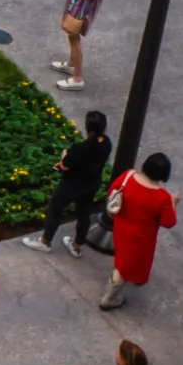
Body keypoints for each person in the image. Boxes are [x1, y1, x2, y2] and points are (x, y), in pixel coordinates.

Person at [26, 109, 112, 256]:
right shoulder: (106, 143)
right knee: (84, 212)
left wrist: (65, 153)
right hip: (91, 184)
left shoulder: (81, 149)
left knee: (55, 208)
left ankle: (45, 242)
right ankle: (76, 246)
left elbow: (65, 164)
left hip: (72, 185)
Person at [99, 150, 177, 310]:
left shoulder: (128, 176)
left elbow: (111, 191)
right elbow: (168, 222)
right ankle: (109, 297)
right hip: (142, 237)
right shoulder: (163, 198)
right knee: (125, 267)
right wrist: (174, 203)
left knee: (123, 258)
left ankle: (122, 282)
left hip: (121, 227)